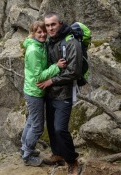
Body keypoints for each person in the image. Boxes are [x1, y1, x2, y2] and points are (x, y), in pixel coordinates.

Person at [37, 12, 82, 175]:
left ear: (60, 23)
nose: (50, 28)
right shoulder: (49, 41)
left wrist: (51, 81)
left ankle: (72, 161)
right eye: (47, 25)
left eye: (53, 25)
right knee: (50, 127)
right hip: (49, 93)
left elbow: (74, 71)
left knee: (59, 129)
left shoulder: (71, 43)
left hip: (64, 93)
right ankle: (57, 154)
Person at [21, 20, 66, 167]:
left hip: (32, 90)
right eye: (39, 32)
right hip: (35, 92)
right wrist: (56, 67)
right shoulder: (34, 50)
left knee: (31, 122)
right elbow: (39, 76)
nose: (42, 34)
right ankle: (27, 156)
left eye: (43, 32)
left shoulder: (40, 45)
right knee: (38, 126)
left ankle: (25, 148)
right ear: (33, 33)